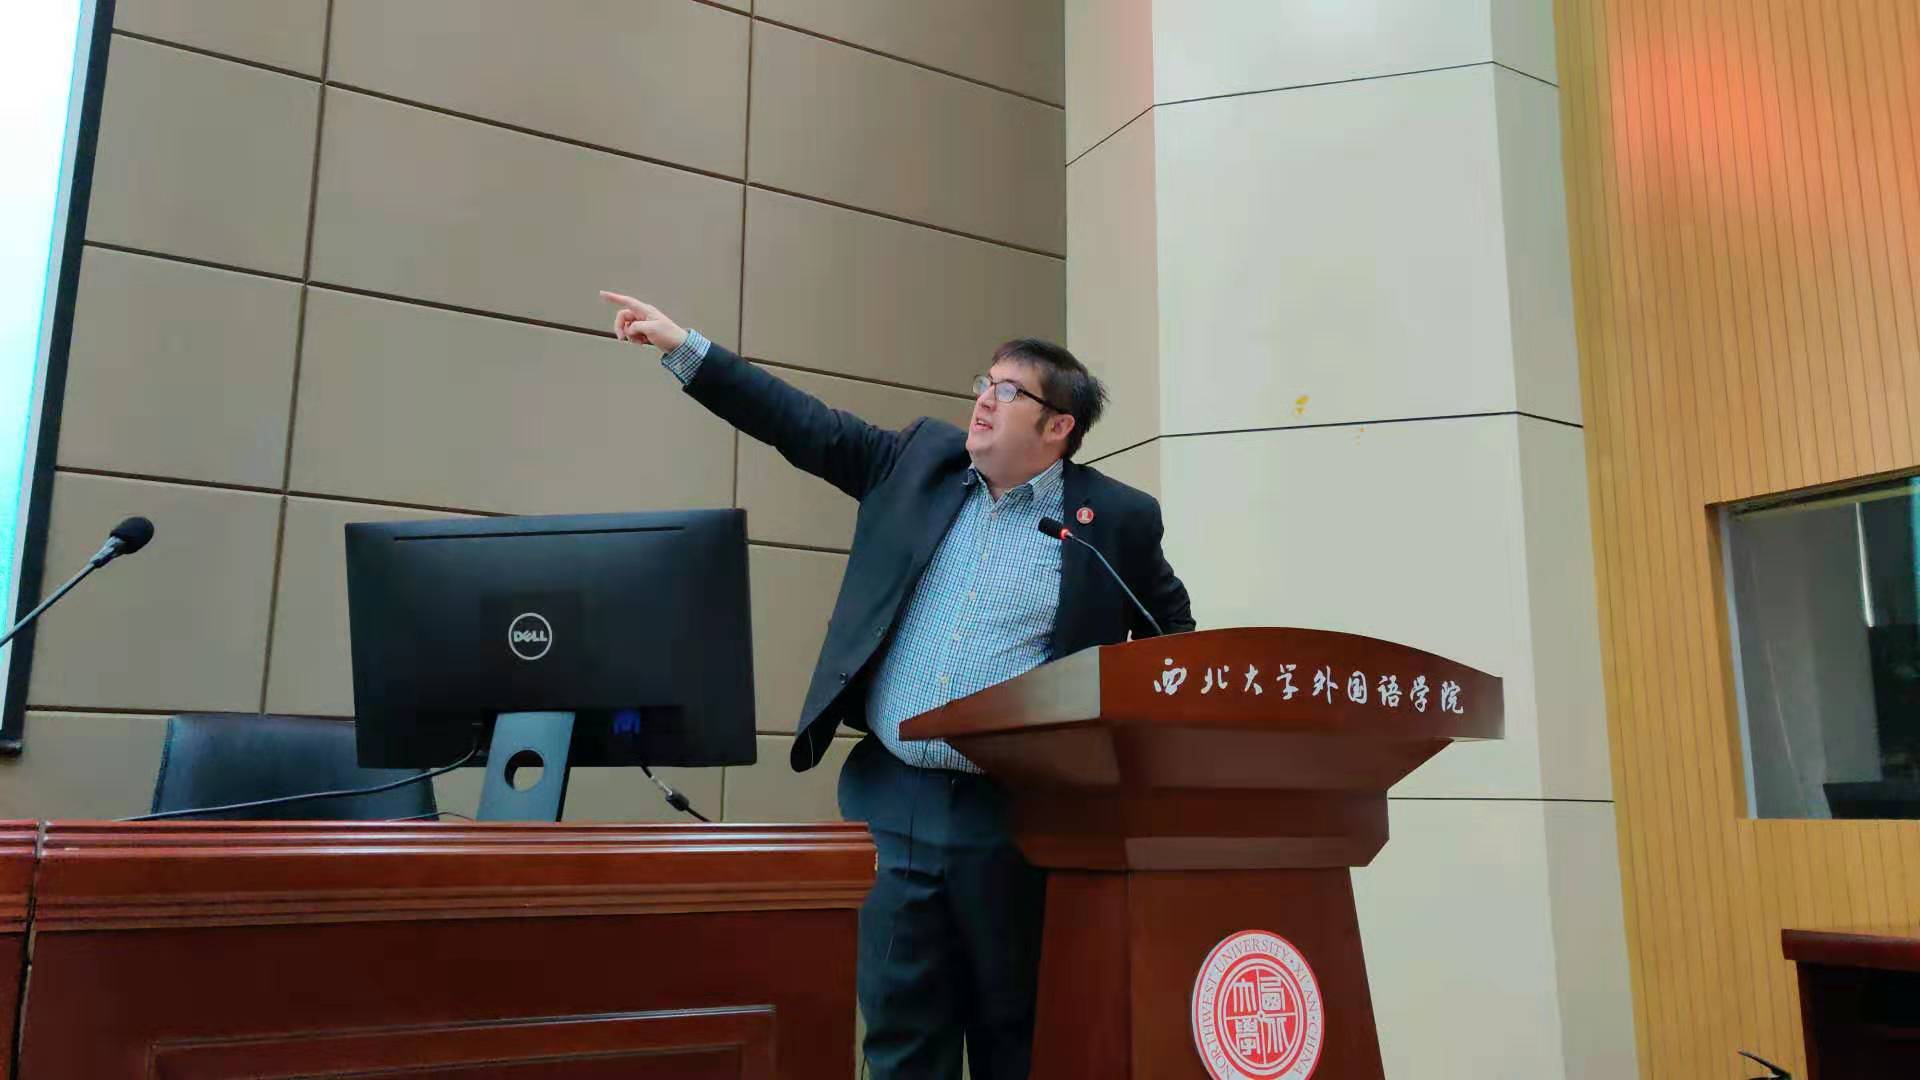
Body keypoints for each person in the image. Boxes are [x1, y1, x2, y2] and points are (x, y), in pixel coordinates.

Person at [600, 291, 1194, 1079]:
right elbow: (802, 424)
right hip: (895, 799)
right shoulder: (918, 461)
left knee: (1018, 1036)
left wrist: (1121, 765)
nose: (984, 399)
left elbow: (1172, 639)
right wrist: (684, 347)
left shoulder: (1114, 520)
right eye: (985, 382)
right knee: (902, 1035)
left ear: (1059, 428)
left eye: (1009, 390)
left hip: (1020, 815)